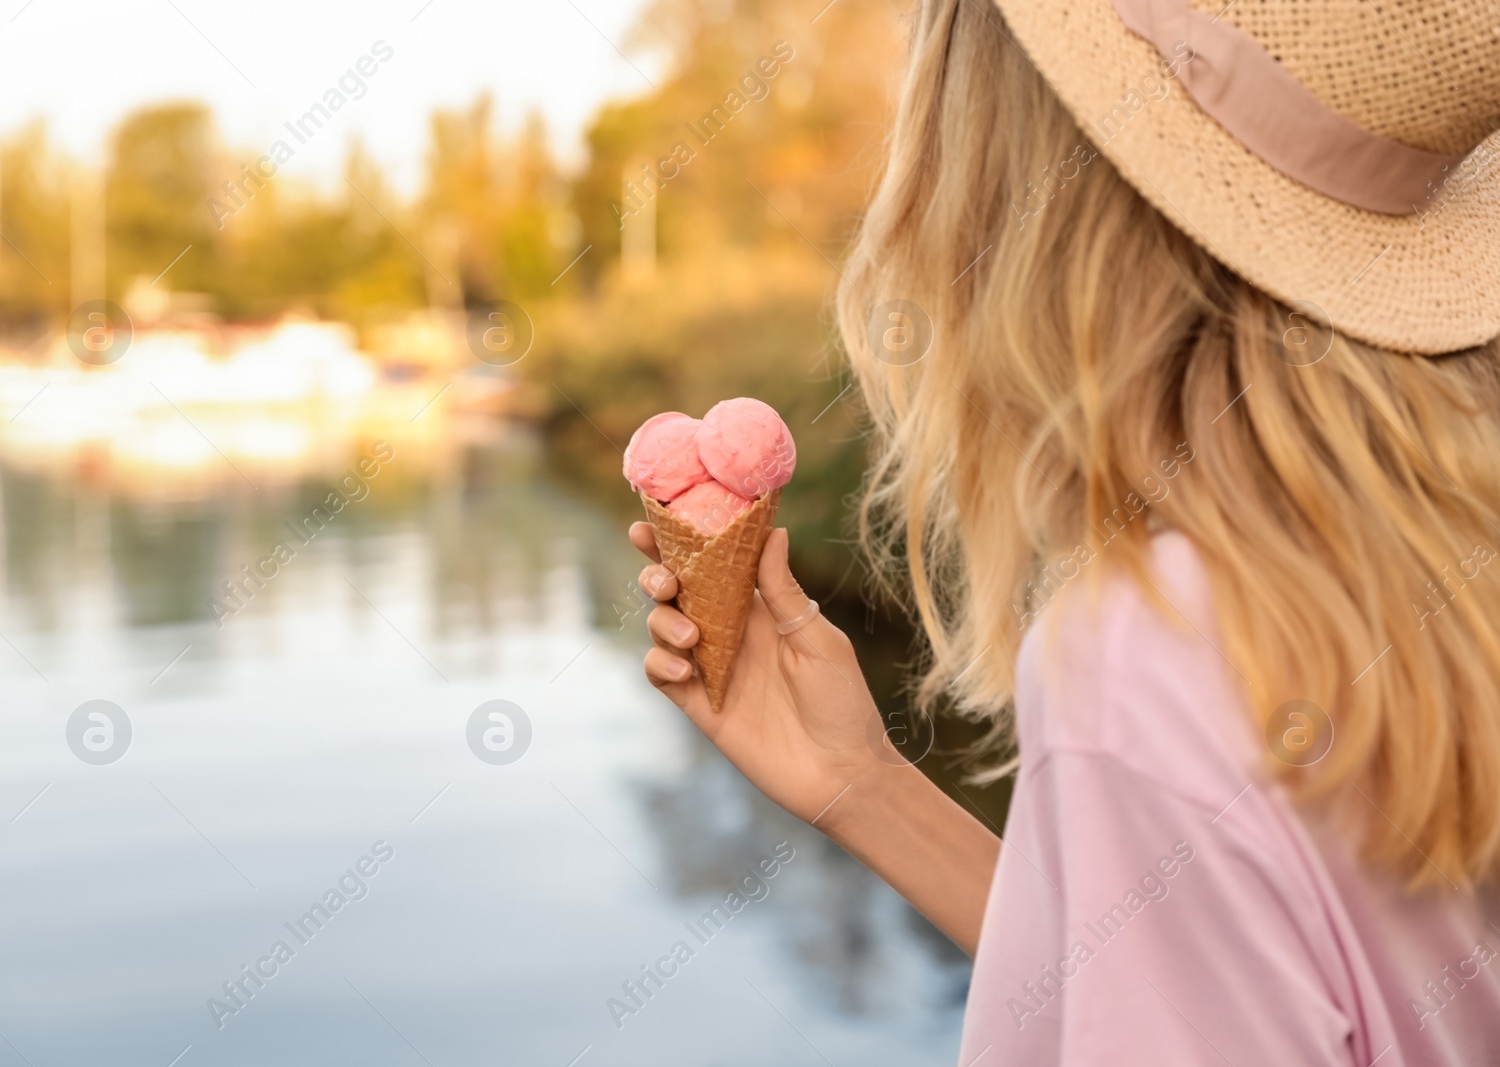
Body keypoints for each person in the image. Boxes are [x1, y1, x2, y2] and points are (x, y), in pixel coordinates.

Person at [631, 0, 1500, 1063]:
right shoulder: (1424, 566)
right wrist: (863, 784)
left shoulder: (1152, 657)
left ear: (1016, 190)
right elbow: (1180, 981)